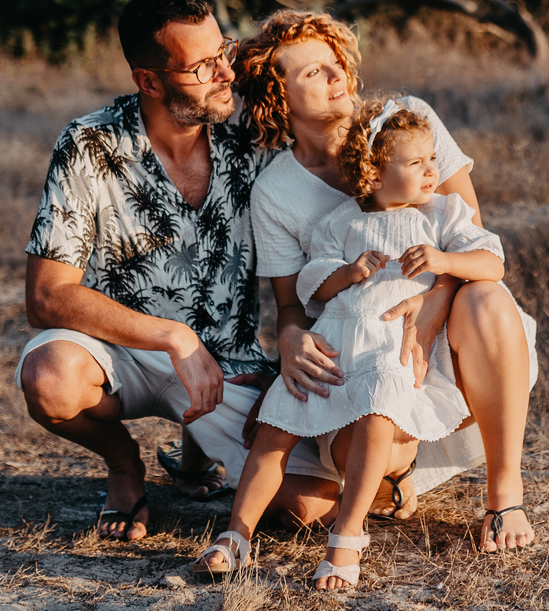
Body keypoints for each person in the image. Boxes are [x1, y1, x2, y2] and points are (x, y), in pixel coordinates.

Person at [17, 0, 353, 541]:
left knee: (309, 510)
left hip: (231, 363)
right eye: (202, 67)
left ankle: (196, 455)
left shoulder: (254, 134)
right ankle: (125, 467)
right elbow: (46, 297)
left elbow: (332, 147)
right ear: (149, 81)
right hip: (118, 351)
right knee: (50, 378)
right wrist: (175, 337)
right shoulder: (89, 142)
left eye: (224, 51)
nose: (225, 73)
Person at [230, 10, 539, 552]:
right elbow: (293, 305)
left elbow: (467, 242)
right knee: (303, 509)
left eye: (335, 61)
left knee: (487, 298)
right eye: (313, 72)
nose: (337, 76)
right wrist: (291, 341)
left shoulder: (407, 120)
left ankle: (504, 495)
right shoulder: (276, 191)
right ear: (278, 99)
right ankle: (392, 478)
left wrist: (431, 312)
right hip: (356, 350)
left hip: (449, 339)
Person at [194, 100, 511, 588]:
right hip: (335, 345)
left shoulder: (442, 214)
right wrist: (348, 272)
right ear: (375, 174)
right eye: (416, 162)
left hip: (389, 350)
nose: (432, 171)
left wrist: (445, 261)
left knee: (377, 415)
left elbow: (493, 262)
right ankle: (236, 534)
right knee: (275, 427)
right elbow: (312, 286)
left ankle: (346, 535)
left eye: (432, 159)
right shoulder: (341, 222)